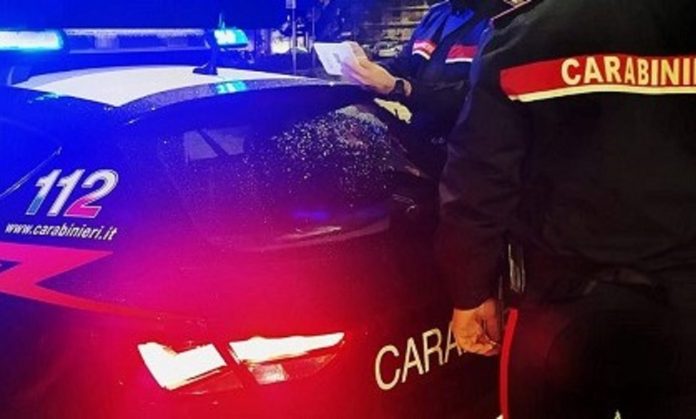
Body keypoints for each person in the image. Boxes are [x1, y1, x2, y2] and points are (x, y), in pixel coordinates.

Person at [438, 0, 696, 418]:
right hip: (684, 301)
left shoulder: (522, 38)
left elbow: (480, 177)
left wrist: (471, 289)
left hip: (560, 308)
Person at [341, 0, 515, 176]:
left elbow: (476, 95)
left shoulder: (506, 21)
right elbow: (404, 64)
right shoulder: (436, 14)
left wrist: (401, 88)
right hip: (422, 145)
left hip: (470, 161)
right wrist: (365, 69)